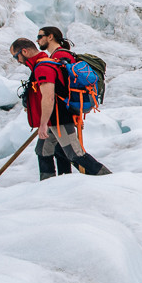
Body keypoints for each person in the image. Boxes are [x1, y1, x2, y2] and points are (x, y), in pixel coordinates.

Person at [10, 38, 111, 180]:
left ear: (24, 52)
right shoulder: (46, 61)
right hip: (55, 118)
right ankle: (50, 185)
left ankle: (109, 179)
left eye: (16, 56)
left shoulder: (43, 68)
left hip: (59, 118)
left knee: (75, 153)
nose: (17, 60)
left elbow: (49, 97)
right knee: (43, 150)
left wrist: (43, 124)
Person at [36, 26, 75, 175]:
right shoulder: (61, 56)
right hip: (62, 113)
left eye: (40, 37)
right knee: (60, 150)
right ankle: (61, 183)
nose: (37, 40)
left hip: (61, 114)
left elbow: (59, 88)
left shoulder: (59, 58)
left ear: (50, 37)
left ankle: (104, 177)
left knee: (70, 153)